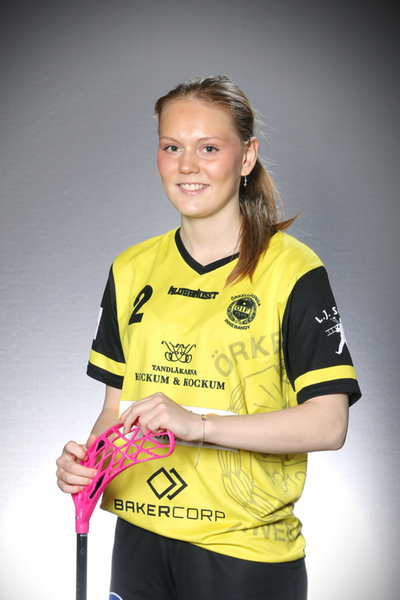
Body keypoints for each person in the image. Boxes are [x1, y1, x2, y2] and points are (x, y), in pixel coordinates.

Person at [56, 75, 361, 600]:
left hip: (244, 550)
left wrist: (197, 426)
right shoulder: (130, 268)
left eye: (209, 148)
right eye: (172, 147)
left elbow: (330, 423)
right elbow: (115, 409)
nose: (187, 166)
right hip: (138, 539)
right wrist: (87, 465)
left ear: (247, 157)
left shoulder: (293, 271)